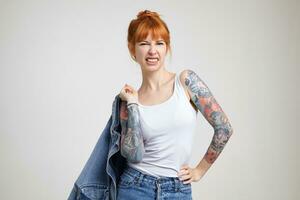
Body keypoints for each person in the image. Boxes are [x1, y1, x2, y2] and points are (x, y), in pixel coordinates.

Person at [117, 10, 233, 200]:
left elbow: (224, 128)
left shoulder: (186, 82)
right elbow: (134, 156)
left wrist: (199, 171)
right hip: (134, 188)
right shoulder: (129, 100)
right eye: (144, 44)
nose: (152, 51)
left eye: (159, 43)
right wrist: (132, 104)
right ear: (132, 49)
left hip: (177, 189)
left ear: (167, 48)